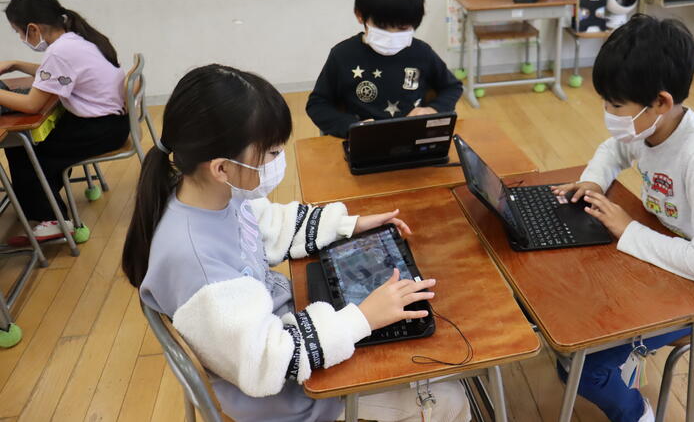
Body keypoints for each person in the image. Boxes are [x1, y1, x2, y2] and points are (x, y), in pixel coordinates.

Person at [123, 64, 469, 422]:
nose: (277, 161)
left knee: (436, 352)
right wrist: (363, 317)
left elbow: (270, 225)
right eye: (271, 153)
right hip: (285, 393)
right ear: (221, 168)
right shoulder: (198, 264)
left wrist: (349, 226)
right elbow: (268, 360)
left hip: (289, 335)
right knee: (448, 394)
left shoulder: (209, 194)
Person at [552, 14, 694, 422]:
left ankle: (638, 413)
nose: (607, 113)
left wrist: (629, 229)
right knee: (570, 329)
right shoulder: (651, 128)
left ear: (661, 102)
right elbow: (614, 148)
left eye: (615, 105)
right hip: (661, 257)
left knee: (580, 366)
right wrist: (593, 180)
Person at [2, 0, 128, 242]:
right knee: (30, 144)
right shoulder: (74, 39)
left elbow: (31, 105)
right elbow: (54, 72)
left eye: (19, 32)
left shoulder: (60, 51)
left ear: (33, 28)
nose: (21, 37)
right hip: (112, 123)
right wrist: (16, 64)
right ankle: (44, 201)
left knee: (24, 147)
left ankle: (53, 220)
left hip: (101, 129)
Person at [306, 0, 462, 137]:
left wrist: (433, 109)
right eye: (382, 27)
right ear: (360, 15)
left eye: (402, 28)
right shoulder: (342, 55)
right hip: (365, 140)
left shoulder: (422, 52)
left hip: (412, 136)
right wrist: (350, 126)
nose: (392, 35)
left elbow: (452, 87)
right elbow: (317, 104)